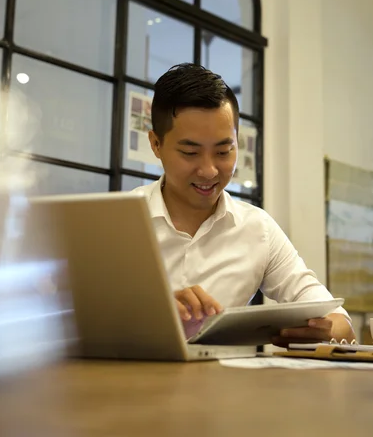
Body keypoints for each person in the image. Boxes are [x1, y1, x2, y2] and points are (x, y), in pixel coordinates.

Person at [132, 63, 355, 346]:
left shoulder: (257, 229)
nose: (209, 170)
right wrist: (151, 317)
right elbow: (67, 322)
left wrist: (327, 329)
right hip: (123, 387)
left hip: (224, 387)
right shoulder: (117, 220)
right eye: (190, 152)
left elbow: (338, 319)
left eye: (224, 151)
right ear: (156, 144)